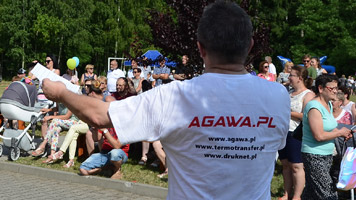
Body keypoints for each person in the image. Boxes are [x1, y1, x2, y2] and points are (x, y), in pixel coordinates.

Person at [42, 1, 290, 199]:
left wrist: (61, 92)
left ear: (201, 49)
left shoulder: (175, 96)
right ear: (250, 46)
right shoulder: (278, 96)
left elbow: (100, 116)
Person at [301, 74, 353, 199]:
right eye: (332, 88)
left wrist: (345, 132)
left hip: (326, 155)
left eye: (336, 88)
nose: (335, 91)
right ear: (320, 88)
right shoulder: (314, 107)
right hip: (314, 155)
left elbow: (329, 127)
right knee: (329, 194)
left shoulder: (328, 104)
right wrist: (339, 133)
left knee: (312, 192)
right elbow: (318, 136)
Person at [49, 80, 116, 168]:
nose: (88, 97)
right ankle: (71, 160)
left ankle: (62, 152)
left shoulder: (107, 99)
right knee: (74, 132)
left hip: (105, 127)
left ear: (92, 93)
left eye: (89, 95)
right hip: (91, 125)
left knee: (75, 129)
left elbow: (116, 113)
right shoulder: (94, 101)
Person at [278, 65, 314, 200]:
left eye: (291, 75)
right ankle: (286, 194)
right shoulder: (288, 93)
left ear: (300, 78)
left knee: (296, 166)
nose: (289, 78)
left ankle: (297, 196)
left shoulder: (308, 95)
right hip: (283, 132)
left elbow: (306, 116)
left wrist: (287, 112)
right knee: (286, 165)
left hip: (296, 133)